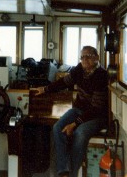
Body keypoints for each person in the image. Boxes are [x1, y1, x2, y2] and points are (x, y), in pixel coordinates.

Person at [32, 46, 108, 177]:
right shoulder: (79, 69)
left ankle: (72, 174)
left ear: (97, 58)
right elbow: (64, 82)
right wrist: (45, 89)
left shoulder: (102, 75)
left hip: (96, 116)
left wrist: (75, 124)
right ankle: (63, 171)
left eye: (88, 56)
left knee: (80, 133)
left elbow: (96, 108)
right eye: (82, 57)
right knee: (57, 127)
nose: (84, 60)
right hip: (79, 110)